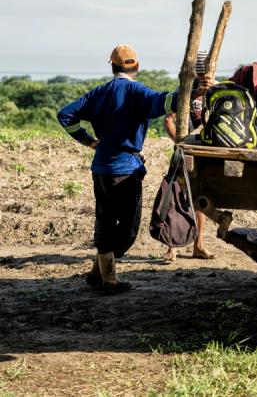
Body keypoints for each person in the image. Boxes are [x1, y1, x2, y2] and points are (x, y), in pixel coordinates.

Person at [57, 44, 213, 294]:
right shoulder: (138, 92)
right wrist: (195, 90)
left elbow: (65, 115)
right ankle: (108, 279)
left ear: (113, 67)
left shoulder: (98, 93)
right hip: (125, 169)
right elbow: (169, 102)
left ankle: (100, 272)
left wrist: (87, 140)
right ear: (136, 67)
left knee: (105, 219)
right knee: (129, 227)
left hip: (101, 167)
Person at [163, 50, 215, 261]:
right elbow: (168, 121)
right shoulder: (183, 92)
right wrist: (180, 143)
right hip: (182, 153)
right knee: (176, 199)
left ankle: (198, 245)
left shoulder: (214, 92)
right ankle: (171, 247)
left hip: (203, 155)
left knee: (200, 201)